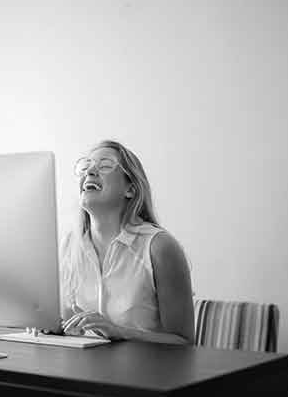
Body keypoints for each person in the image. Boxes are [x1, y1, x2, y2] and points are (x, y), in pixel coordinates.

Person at [60, 140, 195, 344]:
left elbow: (184, 342)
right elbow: (68, 328)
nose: (90, 172)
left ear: (130, 189)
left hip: (147, 374)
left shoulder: (160, 247)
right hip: (83, 373)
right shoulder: (68, 246)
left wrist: (119, 332)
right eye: (85, 166)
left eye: (105, 165)